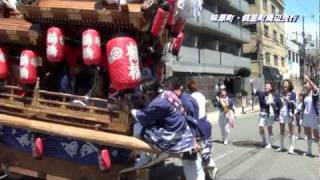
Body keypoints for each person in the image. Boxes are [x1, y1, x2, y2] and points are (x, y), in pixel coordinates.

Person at [131, 78, 205, 180]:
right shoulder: (168, 93)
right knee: (193, 168)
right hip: (186, 135)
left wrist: (131, 110)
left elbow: (142, 117)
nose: (142, 96)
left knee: (137, 127)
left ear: (150, 93)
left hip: (174, 139)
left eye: (143, 93)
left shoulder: (158, 103)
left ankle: (145, 157)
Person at [187, 79, 219, 180]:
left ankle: (211, 168)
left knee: (199, 149)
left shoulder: (190, 97)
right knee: (205, 148)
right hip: (206, 123)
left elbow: (191, 113)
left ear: (188, 88)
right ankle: (210, 168)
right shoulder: (201, 95)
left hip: (198, 125)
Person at [250, 80, 281, 149]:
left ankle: (269, 143)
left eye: (268, 86)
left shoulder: (275, 95)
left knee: (269, 129)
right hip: (262, 113)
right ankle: (263, 140)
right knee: (261, 127)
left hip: (270, 114)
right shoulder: (261, 93)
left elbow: (277, 106)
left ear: (271, 88)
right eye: (265, 86)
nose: (266, 87)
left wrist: (272, 103)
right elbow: (254, 92)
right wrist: (252, 84)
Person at [276, 79, 296, 154]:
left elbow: (294, 104)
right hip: (281, 113)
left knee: (291, 130)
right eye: (283, 84)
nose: (284, 85)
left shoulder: (292, 93)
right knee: (282, 130)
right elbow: (277, 102)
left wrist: (287, 100)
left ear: (289, 85)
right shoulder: (281, 93)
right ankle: (281, 146)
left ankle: (291, 147)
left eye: (286, 84)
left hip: (289, 113)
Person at [301, 75, 320, 157]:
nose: (305, 85)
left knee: (316, 135)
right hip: (306, 116)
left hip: (313, 116)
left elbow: (316, 89)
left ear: (311, 84)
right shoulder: (305, 94)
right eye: (305, 84)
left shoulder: (315, 93)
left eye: (307, 84)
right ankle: (309, 151)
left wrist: (308, 78)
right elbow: (303, 106)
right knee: (308, 133)